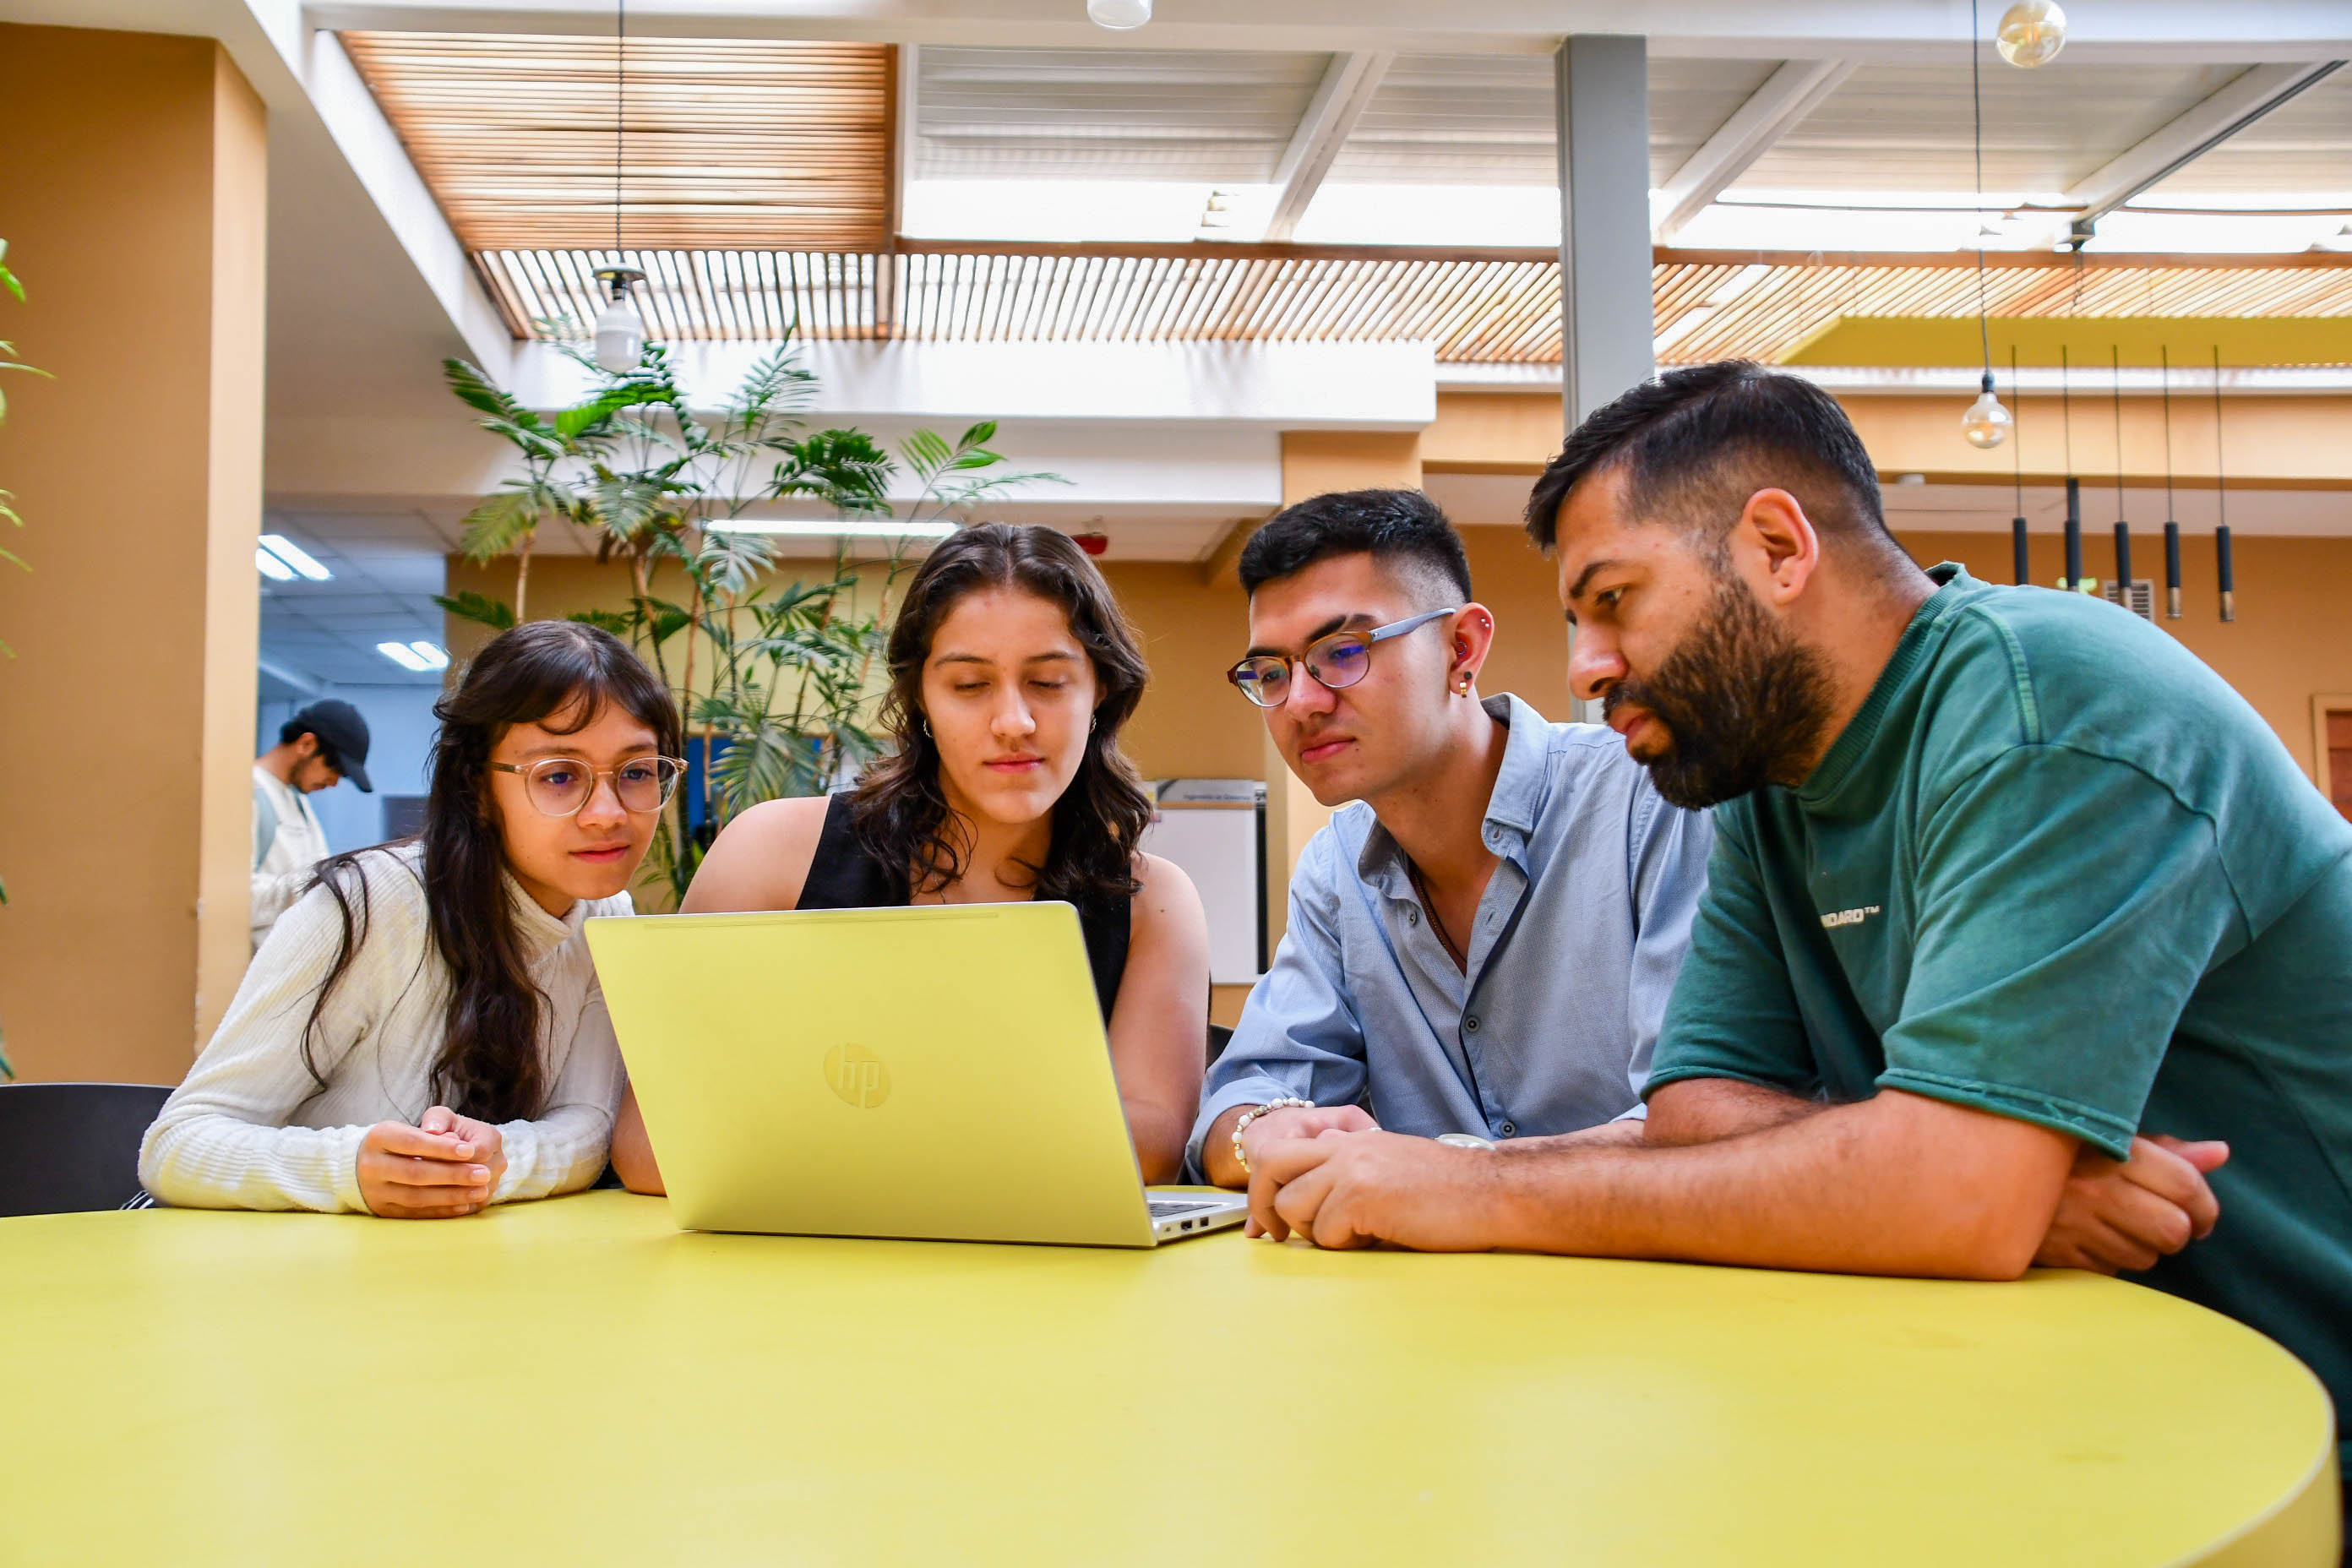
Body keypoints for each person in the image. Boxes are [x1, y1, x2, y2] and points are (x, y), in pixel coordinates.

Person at [1245, 362, 2351, 1499]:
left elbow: (1952, 1198)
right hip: (2081, 1410)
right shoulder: (1766, 785)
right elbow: (1692, 1111)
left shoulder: (2047, 714)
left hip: (2309, 1428)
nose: (1585, 668)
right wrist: (1946, 1168)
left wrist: (1469, 1190)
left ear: (1779, 548)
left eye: (1614, 600)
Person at [609, 523, 1210, 1192]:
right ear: (919, 696)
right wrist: (1015, 1139)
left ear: (1098, 691)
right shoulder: (771, 854)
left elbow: (1150, 1146)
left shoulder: (1151, 901)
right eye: (969, 685)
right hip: (789, 1266)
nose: (1013, 720)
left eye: (1047, 681)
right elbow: (650, 1148)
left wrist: (823, 1132)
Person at [1189, 488, 1712, 1187]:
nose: (1303, 704)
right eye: (1273, 674)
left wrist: (1447, 1178)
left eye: (1343, 652)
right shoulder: (1337, 867)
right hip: (1425, 1292)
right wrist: (1264, 1134)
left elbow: (1698, 1128)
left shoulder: (1651, 803)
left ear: (1461, 648)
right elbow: (1239, 1100)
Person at [142, 622, 683, 1217]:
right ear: (478, 787)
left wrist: (501, 1156)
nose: (608, 814)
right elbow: (179, 1144)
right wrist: (348, 1167)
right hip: (315, 1285)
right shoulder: (367, 907)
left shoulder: (607, 916)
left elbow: (586, 1124)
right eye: (558, 776)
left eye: (636, 773)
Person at [252, 699, 373, 949]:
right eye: (335, 768)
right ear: (307, 744)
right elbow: (229, 897)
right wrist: (312, 886)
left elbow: (319, 868)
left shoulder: (299, 802)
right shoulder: (248, 793)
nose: (333, 782)